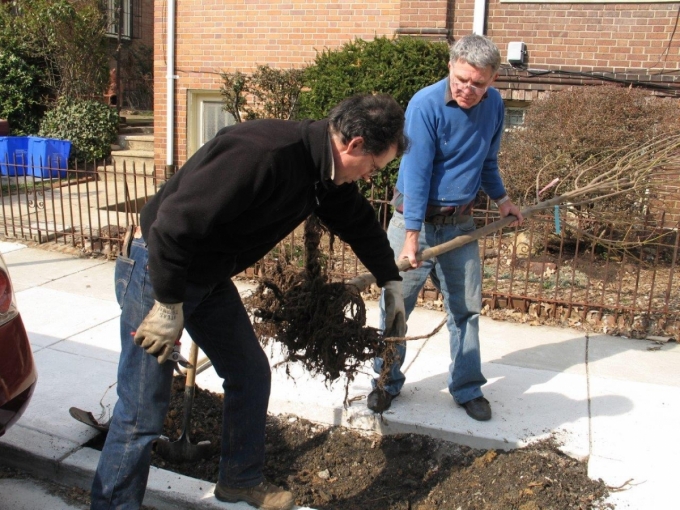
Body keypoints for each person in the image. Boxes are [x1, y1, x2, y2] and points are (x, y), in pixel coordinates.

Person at [90, 93, 408, 510]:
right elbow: (171, 226)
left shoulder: (324, 173)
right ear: (353, 145)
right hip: (159, 269)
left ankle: (239, 480)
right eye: (373, 166)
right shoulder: (263, 153)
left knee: (249, 374)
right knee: (142, 410)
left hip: (206, 276)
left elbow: (358, 222)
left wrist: (391, 281)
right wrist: (168, 304)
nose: (370, 176)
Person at [367, 34, 523, 422]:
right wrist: (412, 239)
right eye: (462, 80)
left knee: (466, 310)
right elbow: (417, 174)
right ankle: (385, 382)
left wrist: (503, 200)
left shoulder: (495, 106)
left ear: (493, 79)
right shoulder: (425, 104)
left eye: (479, 84)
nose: (469, 90)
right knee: (396, 308)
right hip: (412, 222)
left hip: (460, 225)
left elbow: (488, 160)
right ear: (451, 66)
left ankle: (467, 388)